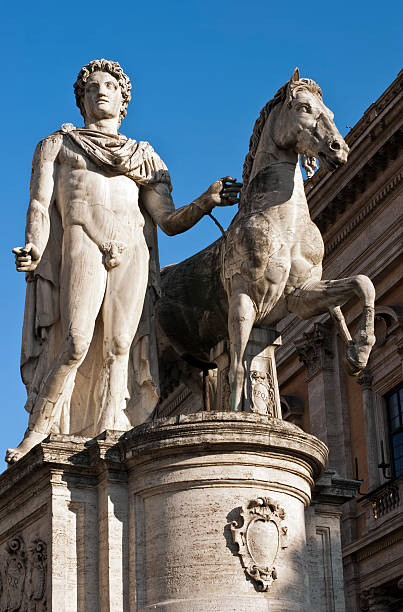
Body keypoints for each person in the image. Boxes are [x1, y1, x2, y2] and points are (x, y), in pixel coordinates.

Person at [7, 59, 241, 463]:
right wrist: (33, 244)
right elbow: (40, 205)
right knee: (76, 342)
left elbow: (167, 221)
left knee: (121, 346)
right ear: (81, 100)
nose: (101, 91)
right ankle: (39, 431)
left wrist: (206, 201)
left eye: (110, 86)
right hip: (82, 238)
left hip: (131, 247)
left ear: (123, 100)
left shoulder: (143, 157)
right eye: (92, 87)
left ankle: (113, 435)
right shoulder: (57, 145)